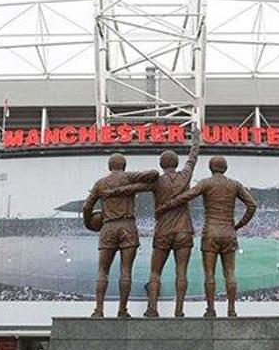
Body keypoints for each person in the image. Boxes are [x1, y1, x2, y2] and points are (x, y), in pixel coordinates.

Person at [102, 130, 200, 317]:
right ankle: (179, 311)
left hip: (163, 230)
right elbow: (193, 158)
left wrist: (113, 191)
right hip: (183, 230)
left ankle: (152, 308)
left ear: (161, 165)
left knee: (155, 272)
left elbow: (135, 188)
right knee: (181, 272)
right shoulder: (185, 176)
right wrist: (196, 140)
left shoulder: (157, 181)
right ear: (176, 164)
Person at [156, 156, 257, 317]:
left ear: (211, 168)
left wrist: (166, 206)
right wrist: (239, 225)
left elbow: (186, 196)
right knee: (230, 273)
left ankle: (211, 310)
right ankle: (231, 310)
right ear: (225, 168)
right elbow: (252, 205)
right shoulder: (234, 184)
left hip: (210, 233)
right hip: (228, 232)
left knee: (209, 274)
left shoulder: (205, 183)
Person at [82, 154, 158, 318]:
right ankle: (122, 310)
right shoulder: (128, 177)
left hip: (108, 227)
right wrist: (133, 185)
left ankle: (99, 310)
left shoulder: (100, 183)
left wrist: (89, 223)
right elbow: (153, 174)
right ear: (123, 166)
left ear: (110, 167)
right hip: (127, 227)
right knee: (126, 271)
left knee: (103, 271)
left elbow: (87, 207)